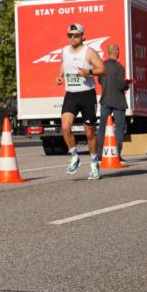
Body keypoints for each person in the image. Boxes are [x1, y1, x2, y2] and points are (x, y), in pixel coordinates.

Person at [56, 23, 105, 180]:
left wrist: (88, 72)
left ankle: (93, 163)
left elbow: (102, 69)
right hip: (71, 94)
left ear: (83, 36)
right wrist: (60, 76)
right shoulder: (64, 51)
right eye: (70, 35)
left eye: (76, 35)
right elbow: (63, 64)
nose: (72, 38)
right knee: (65, 127)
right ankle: (74, 156)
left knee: (89, 132)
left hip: (87, 95)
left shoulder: (89, 52)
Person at [97, 44, 129, 159]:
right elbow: (121, 85)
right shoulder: (120, 67)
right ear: (116, 52)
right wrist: (126, 85)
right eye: (118, 50)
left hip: (105, 100)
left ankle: (100, 154)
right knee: (119, 129)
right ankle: (117, 154)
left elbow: (100, 81)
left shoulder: (102, 66)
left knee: (102, 127)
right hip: (118, 102)